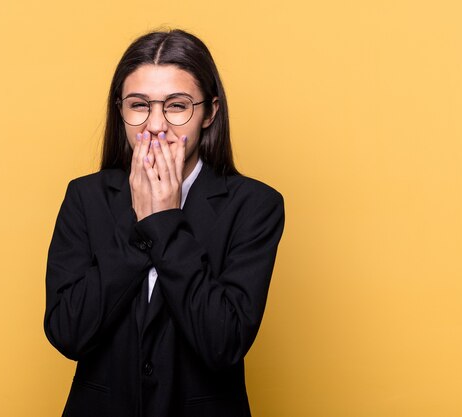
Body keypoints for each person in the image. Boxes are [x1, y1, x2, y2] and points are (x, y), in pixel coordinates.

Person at [44, 29, 285, 417]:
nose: (155, 125)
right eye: (139, 105)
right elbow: (67, 331)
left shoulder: (255, 205)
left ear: (210, 113)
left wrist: (163, 220)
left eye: (177, 106)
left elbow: (223, 341)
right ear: (119, 110)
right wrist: (142, 221)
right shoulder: (86, 198)